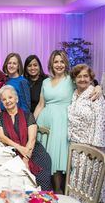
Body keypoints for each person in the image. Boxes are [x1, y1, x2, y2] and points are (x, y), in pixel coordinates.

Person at [34, 50, 102, 193]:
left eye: (61, 61)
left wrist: (99, 87)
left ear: (66, 63)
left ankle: (59, 191)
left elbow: (87, 84)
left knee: (58, 158)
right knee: (43, 158)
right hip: (44, 125)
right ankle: (45, 190)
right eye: (56, 61)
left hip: (62, 123)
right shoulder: (45, 81)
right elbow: (41, 104)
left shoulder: (71, 80)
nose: (59, 64)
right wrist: (32, 124)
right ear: (51, 64)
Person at [0, 85, 52, 190]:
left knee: (39, 182)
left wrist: (25, 159)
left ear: (16, 99)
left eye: (10, 97)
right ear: (2, 102)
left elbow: (32, 139)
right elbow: (2, 137)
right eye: (4, 99)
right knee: (9, 180)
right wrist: (20, 148)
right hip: (13, 153)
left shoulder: (28, 115)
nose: (7, 101)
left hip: (35, 153)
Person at [68, 64, 105, 202]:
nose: (82, 79)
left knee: (90, 184)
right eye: (79, 76)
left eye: (86, 76)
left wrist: (94, 149)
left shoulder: (95, 95)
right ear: (74, 79)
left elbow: (101, 123)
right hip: (76, 146)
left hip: (90, 148)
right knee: (76, 181)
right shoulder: (74, 94)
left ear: (91, 79)